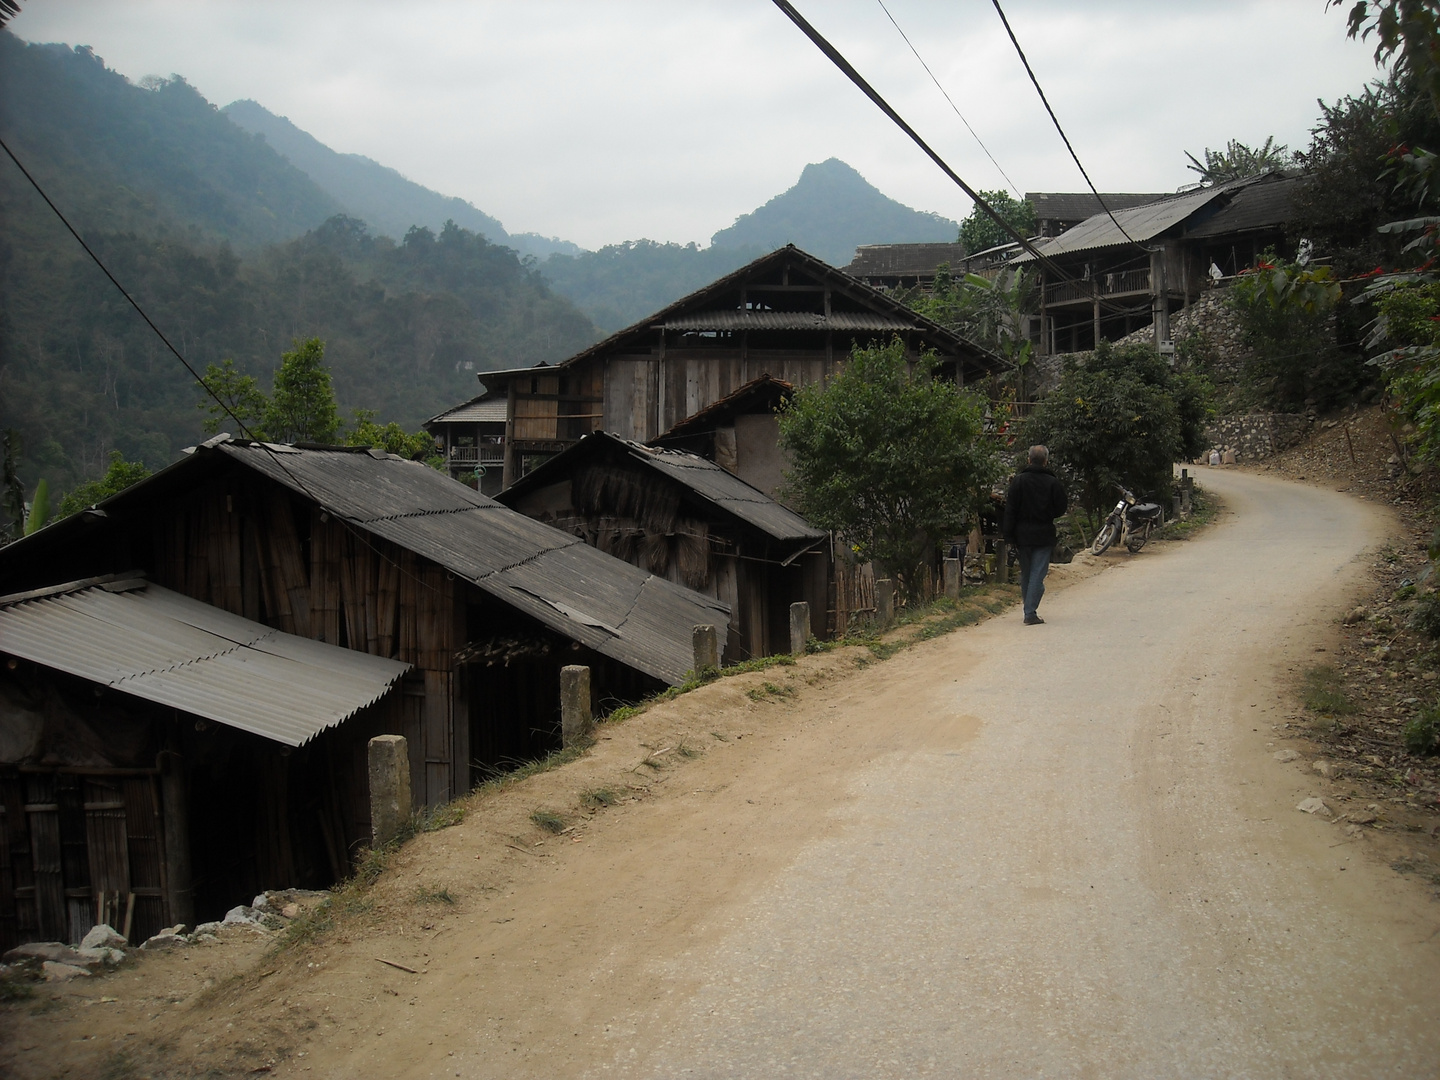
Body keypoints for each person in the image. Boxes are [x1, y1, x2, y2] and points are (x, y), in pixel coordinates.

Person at [1002, 445, 1068, 625]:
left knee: (1028, 574)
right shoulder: (1053, 483)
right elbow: (1061, 507)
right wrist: (1048, 514)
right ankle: (1030, 612)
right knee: (1038, 574)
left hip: (1022, 535)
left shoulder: (1018, 481)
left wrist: (1008, 536)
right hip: (1044, 534)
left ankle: (1029, 608)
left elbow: (1010, 510)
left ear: (1029, 460)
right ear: (1046, 461)